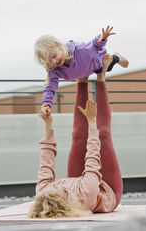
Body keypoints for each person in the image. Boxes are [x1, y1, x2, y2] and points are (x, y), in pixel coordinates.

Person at [28, 55, 123, 218]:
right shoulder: (86, 196)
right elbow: (93, 160)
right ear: (62, 197)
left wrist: (48, 124)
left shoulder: (43, 193)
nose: (53, 187)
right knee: (103, 136)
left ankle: (82, 79)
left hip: (79, 181)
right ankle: (101, 78)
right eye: (55, 190)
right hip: (106, 189)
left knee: (78, 136)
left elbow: (46, 162)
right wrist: (92, 123)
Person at [34, 25, 129, 118]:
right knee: (83, 80)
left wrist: (102, 38)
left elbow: (94, 45)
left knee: (107, 66)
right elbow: (50, 87)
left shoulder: (81, 50)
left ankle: (117, 57)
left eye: (54, 56)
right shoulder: (54, 70)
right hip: (83, 71)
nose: (54, 61)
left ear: (59, 47)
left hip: (97, 62)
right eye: (50, 60)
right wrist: (46, 104)